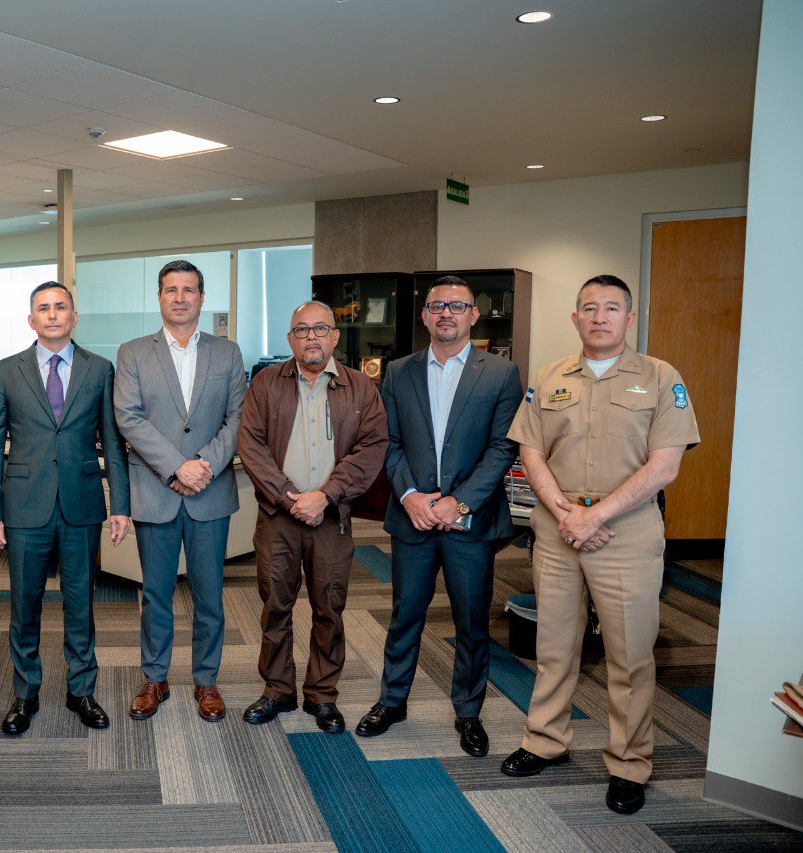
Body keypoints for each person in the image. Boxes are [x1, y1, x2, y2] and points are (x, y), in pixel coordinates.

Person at [500, 274, 699, 815]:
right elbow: (530, 454)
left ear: (629, 319)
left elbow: (666, 465)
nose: (600, 316)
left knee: (629, 655)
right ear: (575, 318)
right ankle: (545, 739)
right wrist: (567, 513)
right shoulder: (550, 376)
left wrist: (597, 515)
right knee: (554, 646)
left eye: (612, 308)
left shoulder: (660, 377)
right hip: (559, 527)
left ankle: (629, 763)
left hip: (625, 530)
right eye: (589, 308)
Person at [356, 275, 523, 756]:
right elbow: (389, 442)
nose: (446, 313)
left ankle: (468, 712)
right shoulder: (398, 371)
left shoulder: (501, 373)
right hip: (413, 518)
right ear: (425, 315)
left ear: (473, 314)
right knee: (405, 613)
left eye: (457, 305)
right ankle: (392, 701)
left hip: (469, 521)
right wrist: (410, 495)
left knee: (471, 620)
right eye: (437, 306)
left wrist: (459, 502)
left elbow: (503, 447)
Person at [0, 281, 130, 735]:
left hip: (82, 503)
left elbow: (113, 442)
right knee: (25, 605)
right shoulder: (7, 371)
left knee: (81, 605)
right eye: (43, 308)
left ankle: (81, 691)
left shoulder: (99, 369)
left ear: (73, 316)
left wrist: (120, 504)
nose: (52, 315)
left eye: (60, 307)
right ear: (31, 320)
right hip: (24, 506)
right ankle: (25, 693)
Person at [237, 300, 388, 732]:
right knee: (275, 606)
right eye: (301, 330)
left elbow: (373, 447)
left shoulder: (361, 388)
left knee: (329, 607)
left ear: (335, 336)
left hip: (331, 517)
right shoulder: (266, 382)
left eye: (320, 329)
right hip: (278, 517)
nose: (311, 337)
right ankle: (277, 690)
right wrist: (291, 499)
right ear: (290, 339)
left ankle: (322, 695)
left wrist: (325, 495)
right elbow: (251, 445)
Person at [114, 260, 246, 723]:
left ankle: (207, 680)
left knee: (210, 595)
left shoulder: (227, 353)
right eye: (171, 290)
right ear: (159, 297)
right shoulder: (132, 353)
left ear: (202, 298)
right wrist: (176, 467)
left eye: (189, 290)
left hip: (210, 492)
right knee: (156, 594)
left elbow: (238, 418)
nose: (180, 298)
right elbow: (128, 417)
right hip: (156, 492)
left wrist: (201, 467)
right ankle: (155, 677)